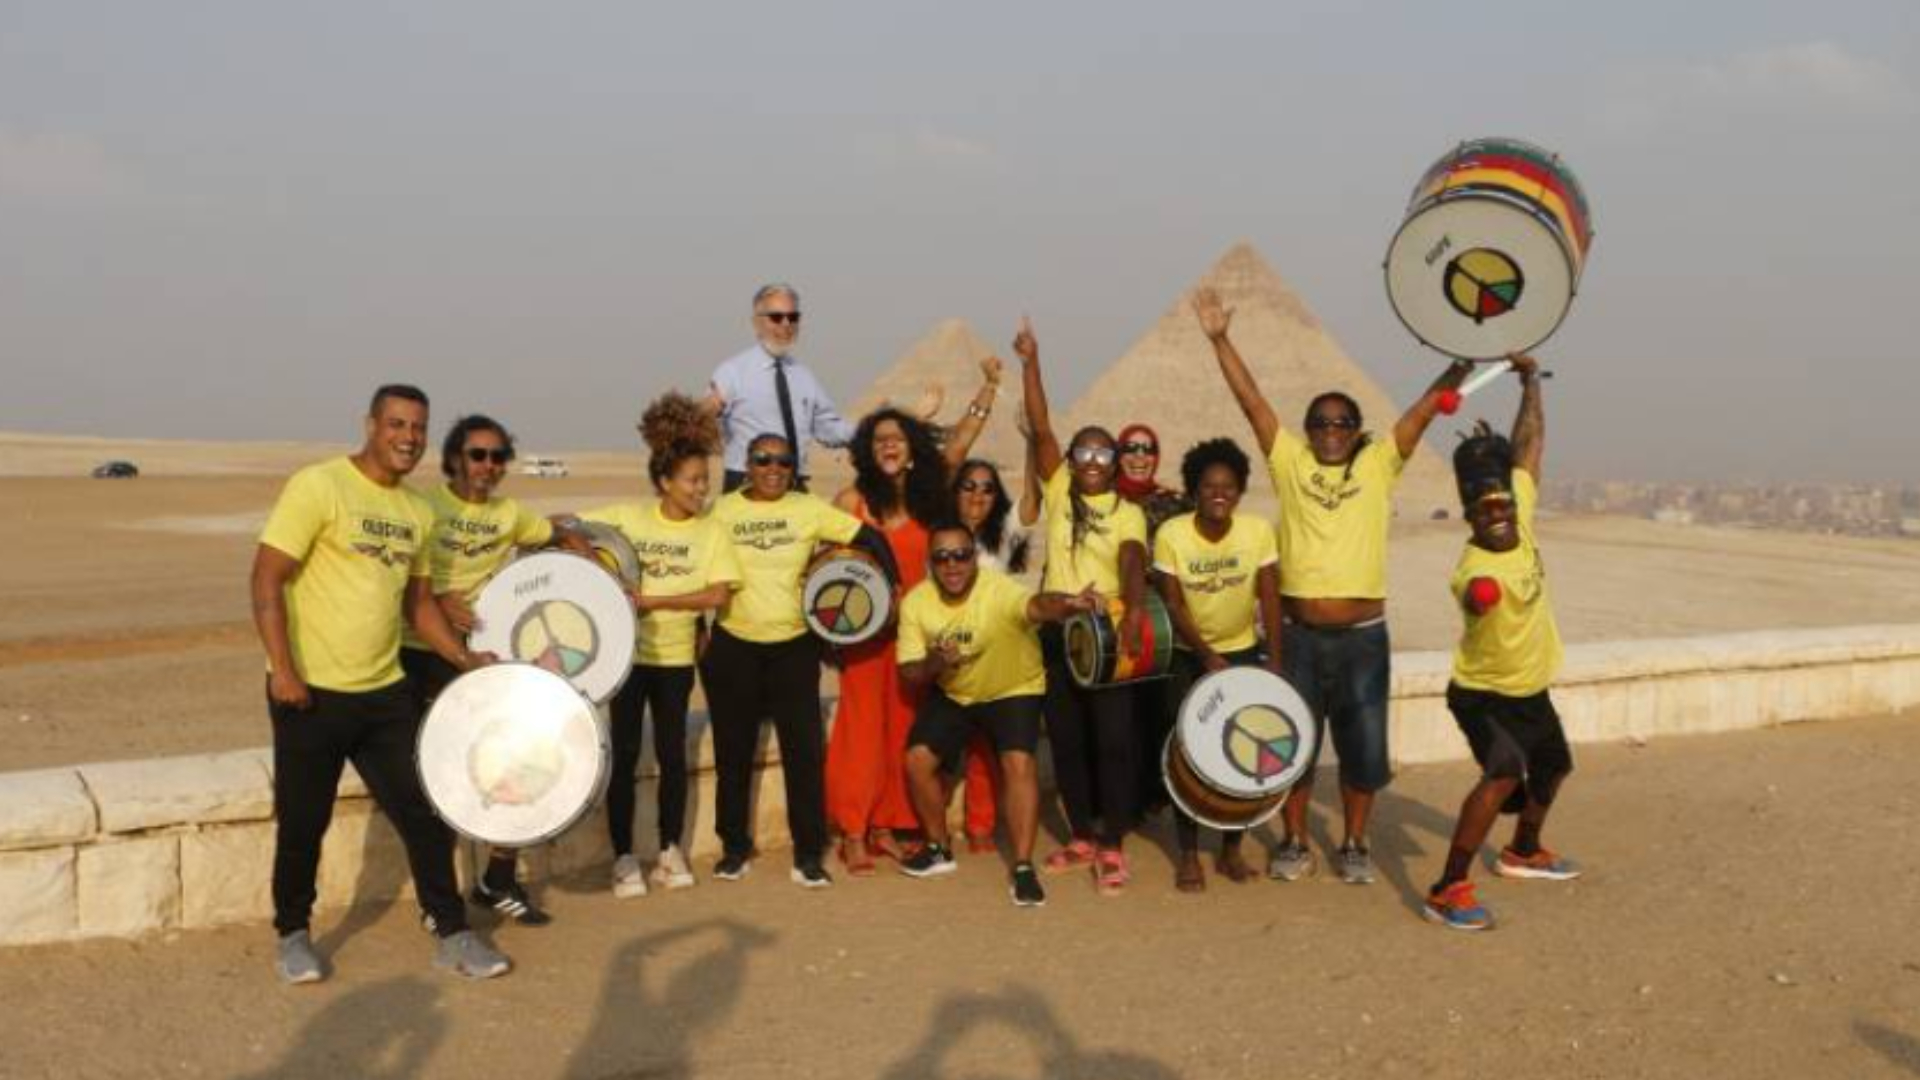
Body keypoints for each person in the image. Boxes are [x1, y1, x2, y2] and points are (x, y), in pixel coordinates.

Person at [1194, 286, 1467, 885]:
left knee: (1362, 750)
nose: (1331, 430)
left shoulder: (1378, 465)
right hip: (1296, 637)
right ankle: (1294, 841)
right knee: (1292, 744)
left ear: (1358, 429)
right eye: (1320, 422)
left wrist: (1463, 362)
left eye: (1342, 422)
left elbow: (1423, 410)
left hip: (1362, 638)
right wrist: (1219, 340)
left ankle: (1355, 843)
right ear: (1308, 429)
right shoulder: (1290, 462)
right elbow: (1253, 403)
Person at [250, 384, 510, 984]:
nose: (408, 438)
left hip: (383, 691)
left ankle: (453, 932)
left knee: (424, 812)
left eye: (418, 428)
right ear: (370, 424)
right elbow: (266, 578)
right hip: (310, 692)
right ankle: (293, 933)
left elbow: (418, 604)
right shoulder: (320, 485)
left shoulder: (417, 511)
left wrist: (461, 657)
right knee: (303, 821)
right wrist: (283, 670)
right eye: (397, 424)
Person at [400, 413, 587, 928]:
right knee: (437, 777)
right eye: (477, 454)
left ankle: (497, 880)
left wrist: (596, 576)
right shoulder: (423, 507)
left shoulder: (510, 514)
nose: (487, 465)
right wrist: (438, 598)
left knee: (522, 759)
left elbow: (562, 534)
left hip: (484, 658)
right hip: (420, 653)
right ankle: (437, 900)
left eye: (498, 456)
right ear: (455, 457)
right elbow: (392, 583)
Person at [826, 359, 1001, 874]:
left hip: (914, 639)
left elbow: (962, 442)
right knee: (860, 729)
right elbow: (827, 567)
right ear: (866, 449)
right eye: (879, 438)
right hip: (864, 637)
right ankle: (854, 829)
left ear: (911, 451)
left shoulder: (930, 498)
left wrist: (988, 388)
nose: (888, 445)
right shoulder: (851, 501)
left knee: (903, 728)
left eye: (898, 438)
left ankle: (887, 826)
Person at [1425, 355, 1581, 931]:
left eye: (1501, 506)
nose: (1495, 516)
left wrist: (1531, 382)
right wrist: (1484, 596)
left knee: (1555, 768)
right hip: (1482, 695)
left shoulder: (1522, 507)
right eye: (1482, 511)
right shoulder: (1471, 570)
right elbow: (1475, 596)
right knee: (1502, 772)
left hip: (1529, 688)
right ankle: (1447, 887)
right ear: (1467, 515)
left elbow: (1529, 444)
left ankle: (1522, 850)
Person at [704, 432, 900, 887]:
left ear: (793, 469)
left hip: (794, 645)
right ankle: (733, 847)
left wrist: (891, 586)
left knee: (804, 753)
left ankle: (809, 853)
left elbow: (871, 536)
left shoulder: (807, 509)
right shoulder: (722, 510)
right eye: (763, 460)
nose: (774, 469)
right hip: (735, 642)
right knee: (733, 753)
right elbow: (694, 562)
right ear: (747, 465)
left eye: (783, 462)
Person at [578, 393, 742, 899]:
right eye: (692, 479)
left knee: (673, 757)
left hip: (673, 660)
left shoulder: (711, 531)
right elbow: (566, 527)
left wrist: (655, 600)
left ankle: (670, 850)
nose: (701, 488)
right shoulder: (630, 517)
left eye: (704, 479)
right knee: (624, 757)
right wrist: (598, 566)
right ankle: (624, 857)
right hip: (626, 660)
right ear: (664, 482)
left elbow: (718, 592)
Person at [893, 519, 1098, 907]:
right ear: (930, 563)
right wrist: (935, 663)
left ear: (974, 558)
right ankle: (938, 848)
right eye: (942, 557)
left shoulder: (998, 589)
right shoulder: (916, 603)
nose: (952, 565)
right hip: (956, 691)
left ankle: (1022, 867)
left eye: (961, 555)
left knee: (1019, 764)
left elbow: (1036, 605)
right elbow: (908, 671)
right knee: (917, 760)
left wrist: (1066, 604)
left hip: (1013, 687)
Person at [1017, 317, 1151, 895]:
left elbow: (1131, 561)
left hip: (1106, 632)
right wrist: (1030, 361)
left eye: (1104, 451)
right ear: (1071, 459)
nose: (1094, 458)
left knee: (1113, 739)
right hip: (1058, 631)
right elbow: (1041, 425)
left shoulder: (1127, 510)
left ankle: (1114, 843)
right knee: (1068, 738)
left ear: (1115, 461)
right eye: (1085, 449)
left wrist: (1134, 610)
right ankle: (1080, 836)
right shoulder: (1057, 493)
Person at [1152, 438, 1284, 892]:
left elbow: (1269, 597)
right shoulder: (1172, 534)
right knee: (1187, 755)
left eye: (1228, 486)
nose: (1219, 494)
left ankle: (1231, 851)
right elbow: (1172, 605)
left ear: (1240, 490)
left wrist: (1276, 665)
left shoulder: (1257, 531)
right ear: (1194, 490)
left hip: (1243, 652)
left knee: (1242, 755)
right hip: (1189, 657)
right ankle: (1189, 854)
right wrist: (1207, 655)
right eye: (1209, 486)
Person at [950, 457, 1033, 851]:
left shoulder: (1002, 537)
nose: (978, 495)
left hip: (992, 657)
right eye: (969, 486)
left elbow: (1033, 500)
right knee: (935, 748)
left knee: (985, 748)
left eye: (987, 487)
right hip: (944, 653)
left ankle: (980, 826)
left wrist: (1033, 441)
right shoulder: (939, 534)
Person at [1113, 421, 1193, 821]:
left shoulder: (1176, 504)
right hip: (1112, 622)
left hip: (1163, 626)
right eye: (1130, 448)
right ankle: (1119, 800)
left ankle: (1155, 793)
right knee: (1119, 716)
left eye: (1147, 449)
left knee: (1158, 713)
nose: (1139, 457)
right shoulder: (1100, 501)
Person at [708, 283, 855, 493]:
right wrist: (705, 413)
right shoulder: (732, 372)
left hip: (794, 485)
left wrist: (871, 430)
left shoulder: (804, 376)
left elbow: (828, 427)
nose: (786, 324)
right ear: (756, 323)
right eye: (776, 317)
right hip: (747, 486)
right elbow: (706, 426)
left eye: (793, 317)